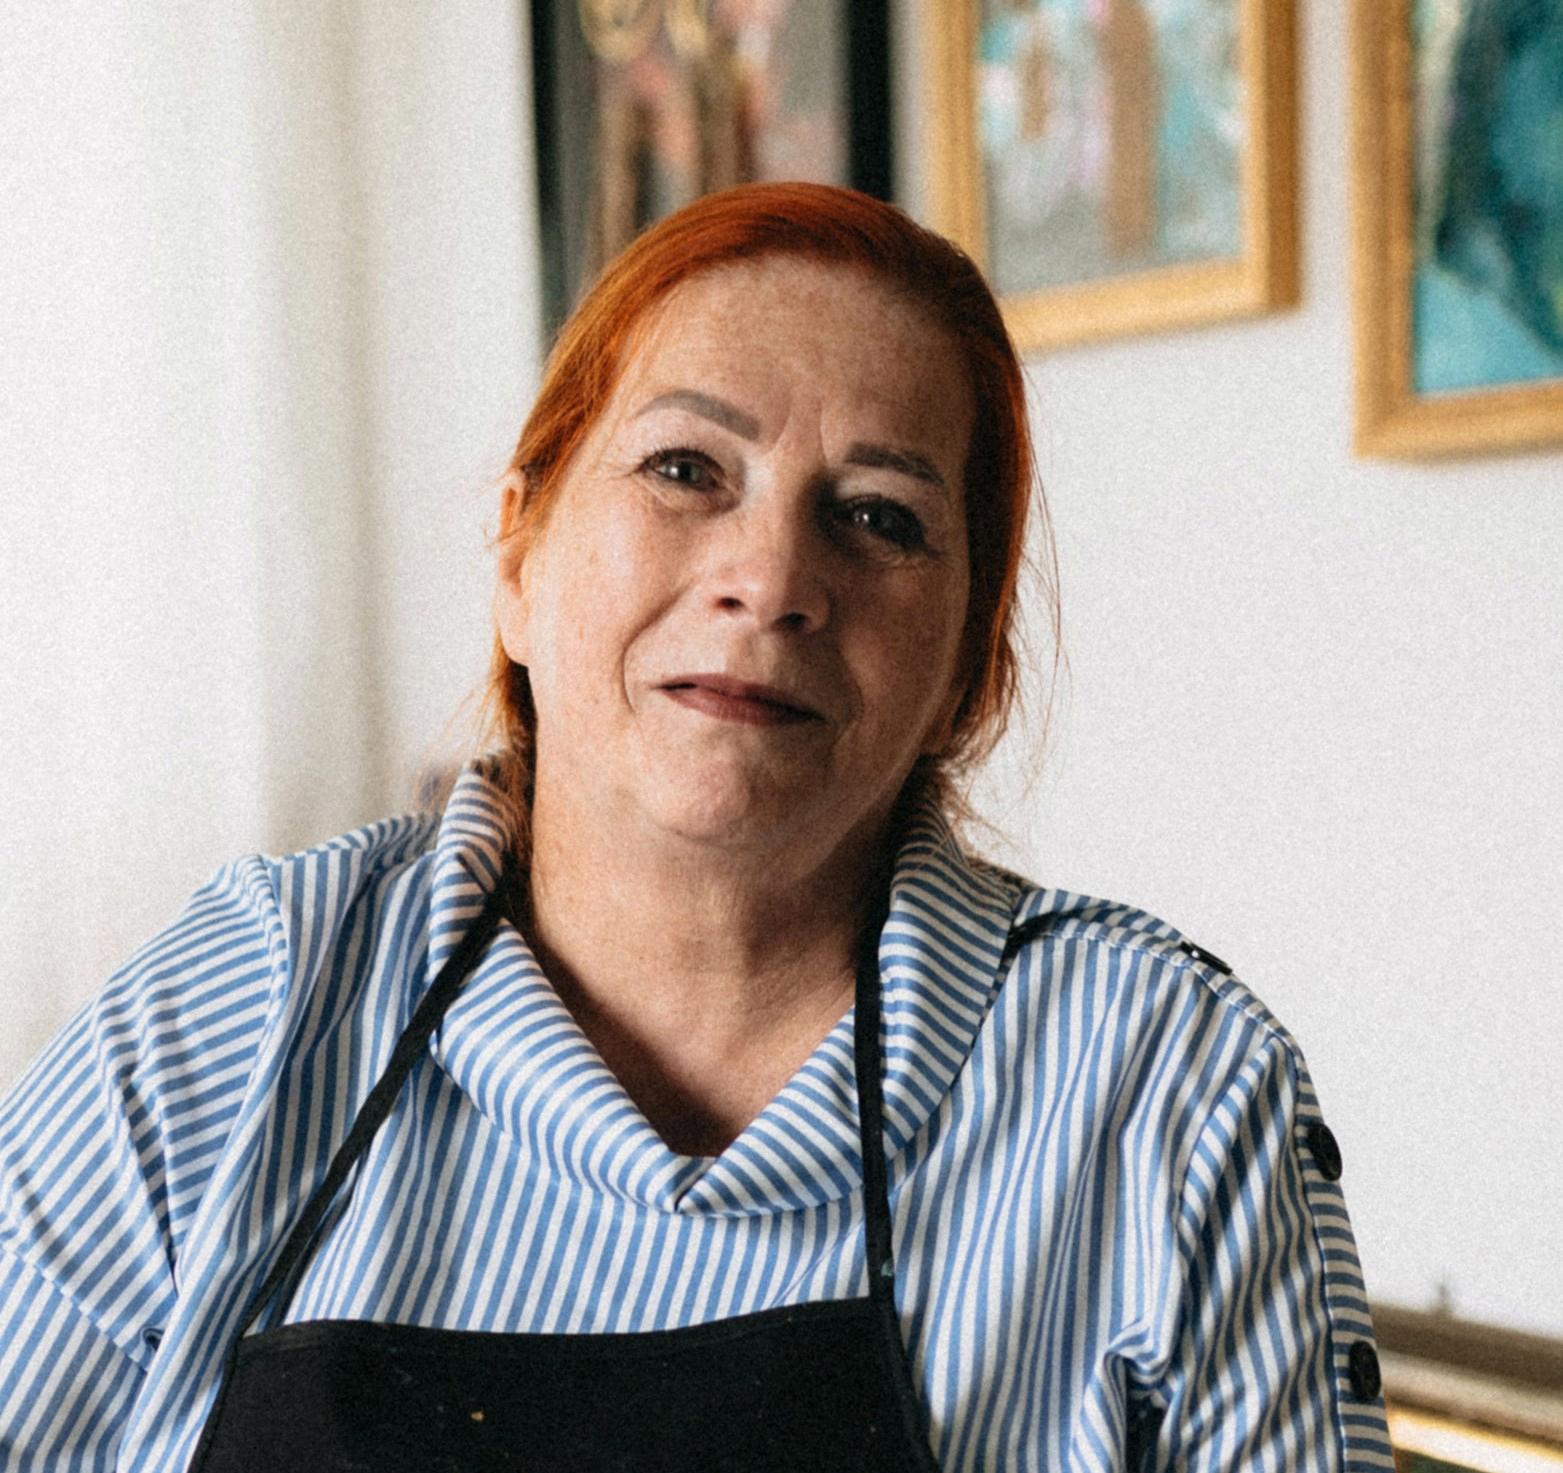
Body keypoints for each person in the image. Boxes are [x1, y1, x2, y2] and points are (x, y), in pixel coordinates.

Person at [0, 182, 1394, 1471]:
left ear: (967, 667)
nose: (771, 577)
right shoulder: (253, 1000)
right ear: (519, 556)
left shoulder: (1169, 1090)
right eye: (684, 468)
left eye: (878, 517)